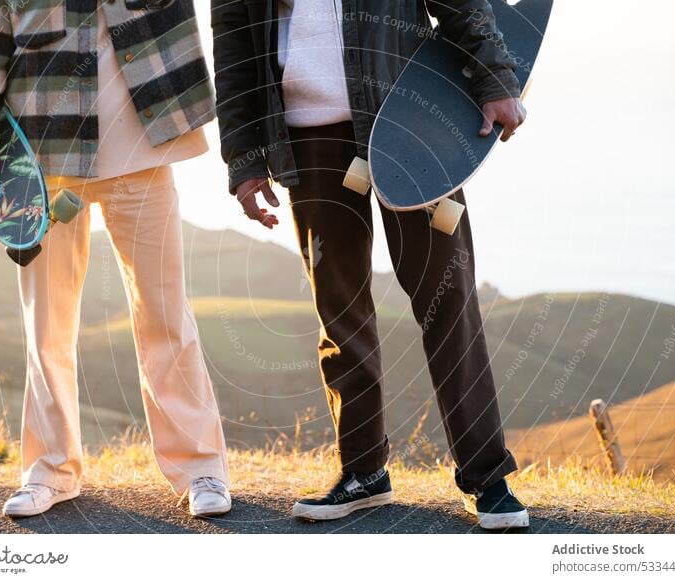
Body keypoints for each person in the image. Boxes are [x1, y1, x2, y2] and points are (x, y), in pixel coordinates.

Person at [211, 0, 528, 529]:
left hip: (407, 116)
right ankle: (363, 473)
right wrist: (242, 157)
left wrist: (494, 76)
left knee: (447, 298)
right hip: (306, 134)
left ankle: (486, 475)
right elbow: (233, 39)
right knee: (339, 308)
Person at [0, 0, 230, 519]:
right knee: (47, 322)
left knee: (165, 314)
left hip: (144, 146)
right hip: (43, 153)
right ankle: (49, 469)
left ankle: (199, 467)